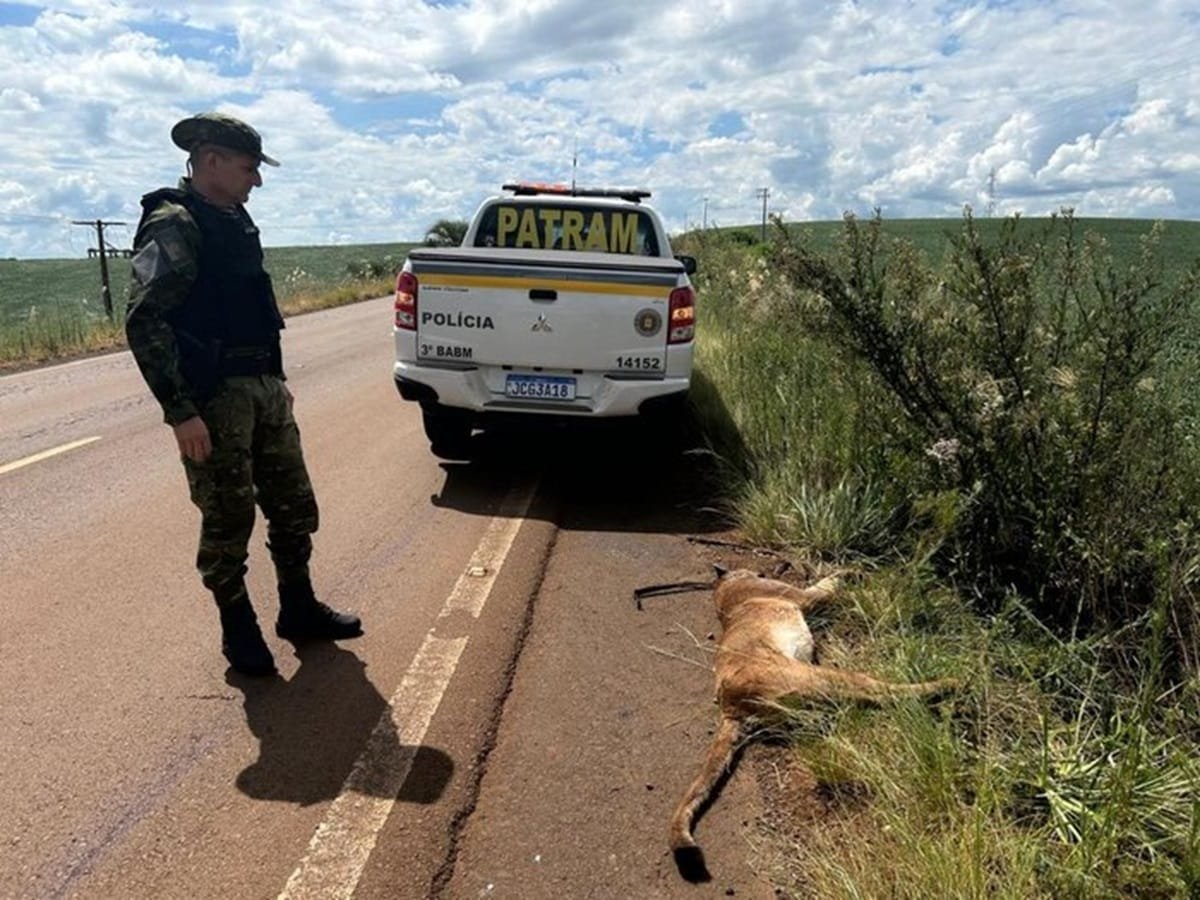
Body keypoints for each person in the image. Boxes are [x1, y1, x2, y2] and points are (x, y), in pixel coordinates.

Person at [125, 112, 362, 677]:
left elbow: (254, 309)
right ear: (210, 161)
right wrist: (181, 412)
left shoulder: (233, 219)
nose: (257, 181)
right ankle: (238, 629)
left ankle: (298, 608)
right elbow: (144, 320)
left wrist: (274, 380)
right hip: (214, 399)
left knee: (293, 505)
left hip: (261, 388)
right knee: (228, 519)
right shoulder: (175, 222)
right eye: (249, 168)